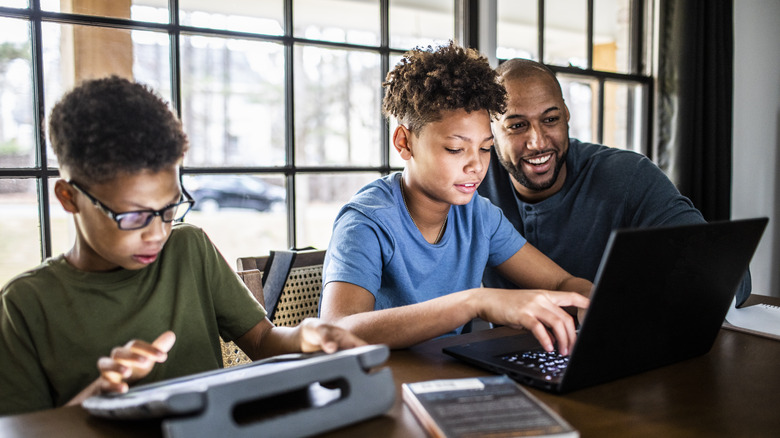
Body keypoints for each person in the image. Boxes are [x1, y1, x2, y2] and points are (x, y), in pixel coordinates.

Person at [0, 76, 364, 416]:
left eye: (169, 208)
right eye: (134, 216)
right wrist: (94, 399)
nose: (157, 232)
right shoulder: (24, 306)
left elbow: (263, 340)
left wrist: (304, 336)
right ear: (68, 197)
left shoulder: (188, 249)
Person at [319, 42, 591, 352]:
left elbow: (560, 284)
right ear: (404, 143)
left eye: (485, 148)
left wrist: (589, 301)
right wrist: (474, 301)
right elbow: (337, 330)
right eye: (455, 149)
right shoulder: (366, 223)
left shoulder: (479, 216)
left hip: (445, 379)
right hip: (379, 386)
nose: (476, 165)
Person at [479, 58, 751, 306]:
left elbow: (728, 276)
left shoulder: (628, 176)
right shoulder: (472, 180)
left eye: (550, 119)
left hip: (603, 343)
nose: (537, 142)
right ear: (491, 128)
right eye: (517, 126)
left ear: (566, 115)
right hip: (498, 349)